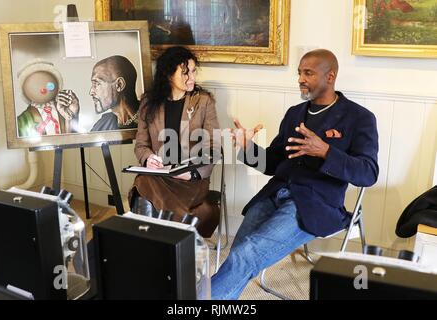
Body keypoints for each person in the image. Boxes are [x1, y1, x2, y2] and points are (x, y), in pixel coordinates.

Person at [211, 49, 379, 300]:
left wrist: (325, 152)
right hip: (274, 195)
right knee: (238, 254)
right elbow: (274, 163)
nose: (300, 78)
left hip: (315, 204)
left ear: (330, 76)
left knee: (247, 255)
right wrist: (248, 149)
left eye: (308, 73)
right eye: (299, 72)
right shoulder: (294, 114)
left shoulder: (359, 118)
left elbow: (368, 173)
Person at [129, 46, 221, 238]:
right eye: (185, 73)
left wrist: (194, 173)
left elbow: (214, 148)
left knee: (143, 190)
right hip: (160, 176)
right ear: (168, 74)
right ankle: (158, 239)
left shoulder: (203, 102)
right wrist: (148, 159)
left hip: (191, 181)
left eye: (193, 71)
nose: (191, 78)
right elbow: (141, 145)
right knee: (143, 182)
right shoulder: (148, 102)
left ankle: (162, 239)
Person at [17, 59, 79, 137]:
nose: (43, 88)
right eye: (35, 85)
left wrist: (70, 117)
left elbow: (73, 137)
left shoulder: (63, 108)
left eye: (49, 84)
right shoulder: (24, 119)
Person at [89, 55, 139, 132]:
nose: (91, 92)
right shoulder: (103, 123)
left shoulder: (152, 118)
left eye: (97, 84)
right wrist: (72, 117)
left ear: (119, 84)